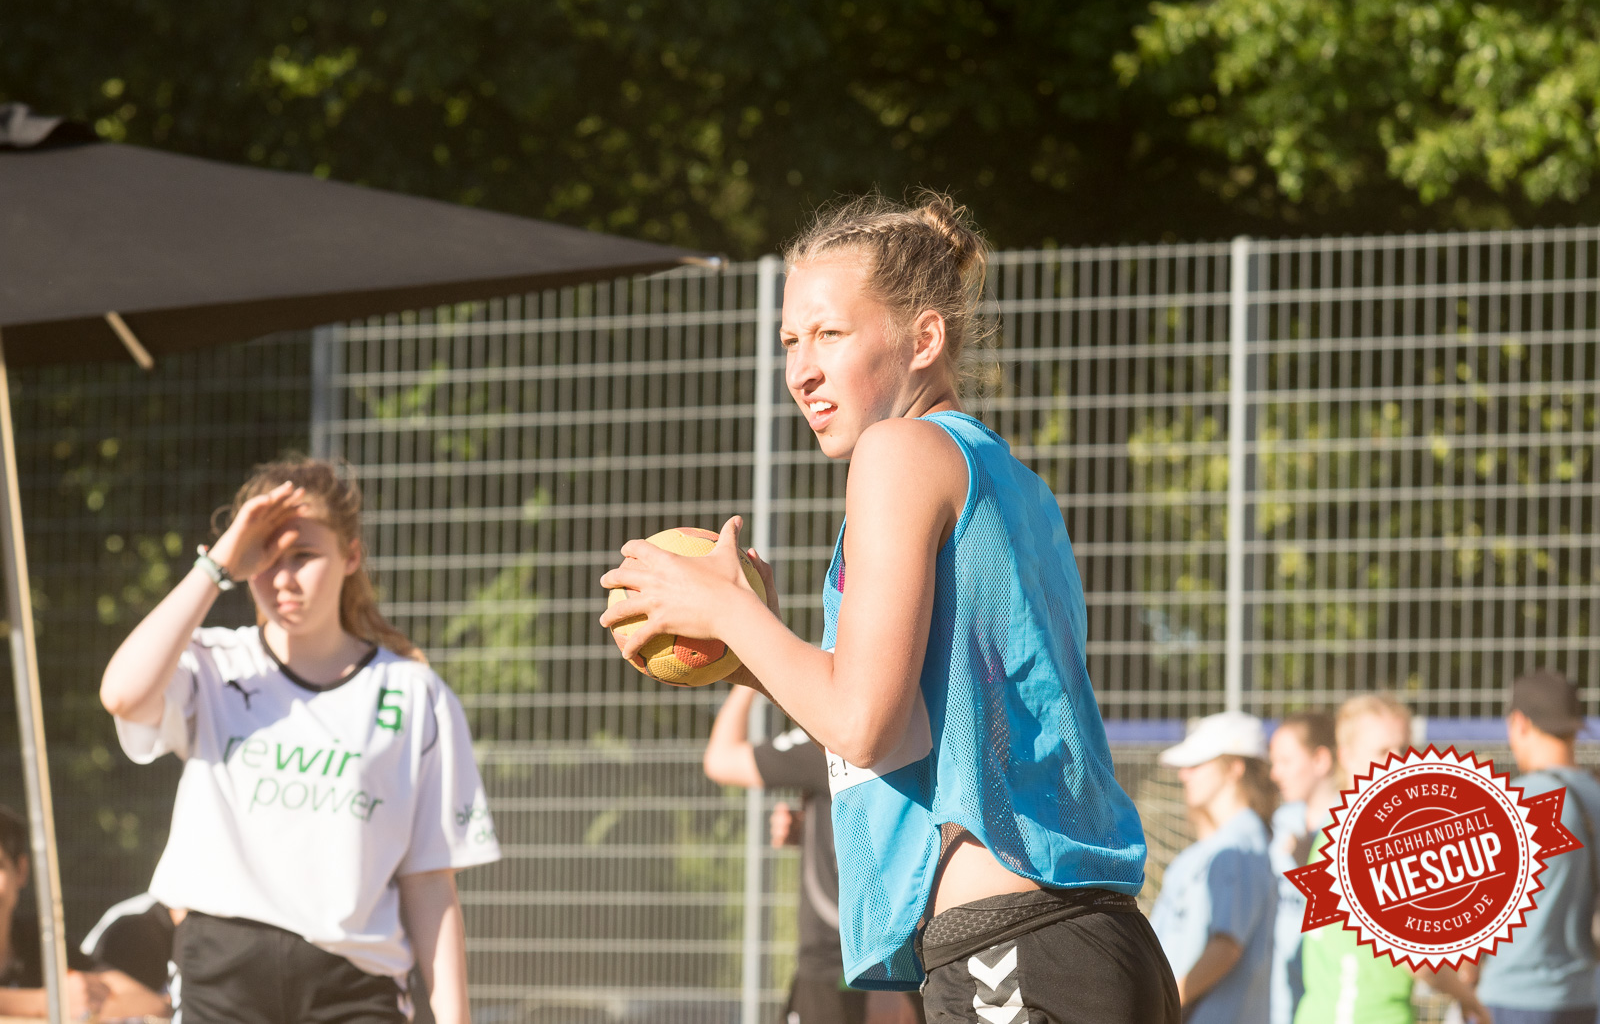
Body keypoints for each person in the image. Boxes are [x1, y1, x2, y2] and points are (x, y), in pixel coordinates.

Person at [600, 192, 1178, 1024]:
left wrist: (731, 613)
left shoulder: (896, 451)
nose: (801, 368)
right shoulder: (1011, 479)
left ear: (924, 338)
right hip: (1097, 944)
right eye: (791, 341)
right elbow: (910, 726)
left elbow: (865, 723)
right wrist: (755, 654)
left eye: (830, 335)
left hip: (1013, 951)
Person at [99, 458, 502, 1024]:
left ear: (351, 556)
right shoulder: (214, 662)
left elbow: (431, 881)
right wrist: (217, 565)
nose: (282, 578)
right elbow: (121, 694)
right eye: (263, 555)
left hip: (355, 985)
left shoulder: (413, 693)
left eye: (303, 556)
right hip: (221, 973)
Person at [703, 686, 921, 1024]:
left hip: (839, 959)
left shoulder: (827, 745)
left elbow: (721, 759)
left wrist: (745, 676)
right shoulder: (920, 730)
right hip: (910, 952)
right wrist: (811, 829)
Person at [1294, 695, 1488, 1024]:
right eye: (1382, 752)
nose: (1398, 761)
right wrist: (1470, 999)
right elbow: (1420, 963)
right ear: (1346, 756)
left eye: (1406, 748)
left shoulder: (1336, 827)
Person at [1472, 672, 1600, 1024]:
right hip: (1582, 999)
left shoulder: (1516, 804)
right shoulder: (1595, 797)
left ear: (1519, 723)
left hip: (1510, 996)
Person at [1149, 712, 1279, 1024]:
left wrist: (1159, 1006)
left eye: (1197, 764)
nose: (1184, 775)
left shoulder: (1238, 847)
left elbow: (1226, 948)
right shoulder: (1226, 846)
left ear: (1235, 768)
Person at [0, 805, 164, 1019]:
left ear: (21, 871)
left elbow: (148, 1003)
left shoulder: (38, 942)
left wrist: (85, 998)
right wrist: (46, 1003)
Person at [1267, 711, 1339, 1024]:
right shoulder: (1281, 823)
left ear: (1320, 760)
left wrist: (1308, 864)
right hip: (1278, 998)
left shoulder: (1350, 828)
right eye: (1273, 762)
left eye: (1285, 761)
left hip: (1328, 997)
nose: (1274, 773)